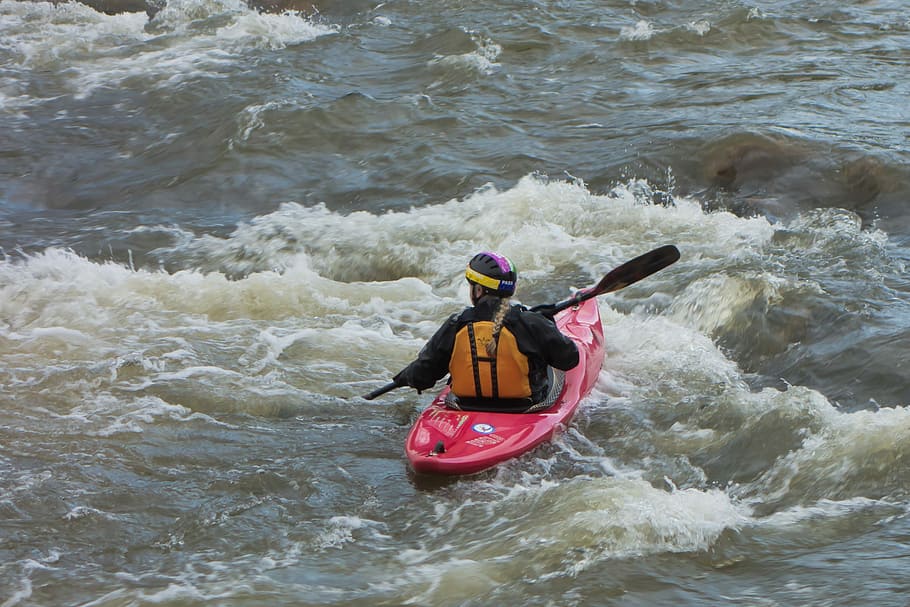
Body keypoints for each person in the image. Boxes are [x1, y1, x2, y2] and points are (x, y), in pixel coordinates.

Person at [393, 251, 579, 412]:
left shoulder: (456, 324)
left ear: (479, 290)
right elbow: (569, 359)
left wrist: (407, 376)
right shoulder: (530, 323)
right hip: (524, 407)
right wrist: (547, 323)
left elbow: (423, 375)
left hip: (465, 406)